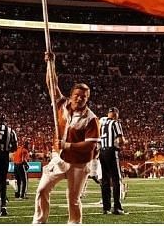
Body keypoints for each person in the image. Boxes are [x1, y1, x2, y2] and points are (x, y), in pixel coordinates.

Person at [33, 52, 100, 224]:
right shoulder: (61, 105)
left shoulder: (91, 119)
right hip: (59, 159)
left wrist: (67, 144)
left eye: (84, 97)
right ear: (71, 95)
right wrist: (51, 64)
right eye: (77, 95)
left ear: (88, 99)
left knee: (73, 200)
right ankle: (39, 221)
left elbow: (89, 147)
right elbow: (51, 84)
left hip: (79, 163)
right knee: (42, 189)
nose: (80, 98)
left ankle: (74, 223)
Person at [98, 107, 127, 215]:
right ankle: (117, 207)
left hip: (102, 151)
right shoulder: (115, 123)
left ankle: (106, 208)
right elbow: (120, 140)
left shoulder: (102, 123)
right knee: (116, 180)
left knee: (105, 180)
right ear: (116, 114)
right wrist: (123, 142)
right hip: (111, 151)